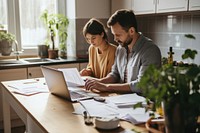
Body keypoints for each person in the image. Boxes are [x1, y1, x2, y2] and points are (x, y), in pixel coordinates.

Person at [85, 9, 161, 93]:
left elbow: (142, 85)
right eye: (114, 35)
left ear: (131, 31)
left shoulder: (150, 50)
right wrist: (98, 82)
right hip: (122, 100)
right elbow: (115, 74)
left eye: (118, 35)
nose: (115, 39)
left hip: (142, 103)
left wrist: (106, 87)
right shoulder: (121, 48)